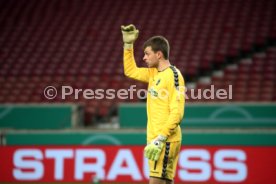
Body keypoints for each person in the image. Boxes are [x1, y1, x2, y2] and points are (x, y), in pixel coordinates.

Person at [121, 24, 185, 184]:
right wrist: (128, 45)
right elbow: (130, 71)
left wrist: (160, 138)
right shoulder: (153, 73)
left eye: (147, 54)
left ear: (159, 54)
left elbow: (177, 112)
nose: (144, 58)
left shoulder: (174, 76)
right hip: (158, 140)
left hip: (164, 141)